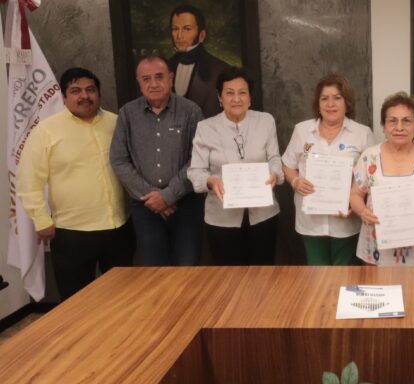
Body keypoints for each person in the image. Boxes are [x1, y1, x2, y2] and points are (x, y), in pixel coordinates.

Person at [17, 68, 134, 300]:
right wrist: (41, 219)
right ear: (63, 97)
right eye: (75, 91)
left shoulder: (117, 123)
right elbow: (28, 180)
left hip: (119, 227)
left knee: (124, 298)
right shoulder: (46, 131)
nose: (84, 96)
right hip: (72, 233)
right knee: (76, 303)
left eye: (90, 90)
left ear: (99, 93)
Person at [110, 54, 205, 266]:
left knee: (188, 270)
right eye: (146, 79)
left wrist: (168, 195)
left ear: (170, 78)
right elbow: (119, 160)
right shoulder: (127, 114)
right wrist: (154, 197)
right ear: (139, 82)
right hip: (145, 207)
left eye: (159, 77)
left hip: (186, 205)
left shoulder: (191, 111)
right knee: (154, 272)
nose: (153, 84)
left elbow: (198, 159)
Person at [188, 68, 283, 265]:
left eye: (242, 92)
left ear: (250, 97)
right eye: (229, 93)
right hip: (221, 218)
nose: (236, 99)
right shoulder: (206, 128)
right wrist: (210, 181)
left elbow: (274, 158)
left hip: (263, 215)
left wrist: (275, 173)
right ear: (219, 97)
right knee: (229, 278)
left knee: (263, 275)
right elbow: (196, 171)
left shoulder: (265, 121)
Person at [350, 92, 414, 265]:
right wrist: (362, 211)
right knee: (378, 283)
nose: (399, 127)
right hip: (377, 245)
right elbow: (355, 195)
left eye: (406, 121)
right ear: (383, 126)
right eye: (392, 121)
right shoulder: (369, 156)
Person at [282, 74, 374, 265]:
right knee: (318, 275)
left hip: (346, 221)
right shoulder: (302, 130)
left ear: (347, 102)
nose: (330, 104)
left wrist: (356, 204)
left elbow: (371, 176)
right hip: (310, 221)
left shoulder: (362, 133)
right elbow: (288, 165)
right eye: (324, 98)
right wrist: (295, 181)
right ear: (318, 103)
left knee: (343, 275)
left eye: (337, 98)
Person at [167, 4, 232, 118]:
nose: (179, 36)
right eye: (175, 29)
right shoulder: (166, 66)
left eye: (187, 29)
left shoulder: (221, 70)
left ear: (202, 35)